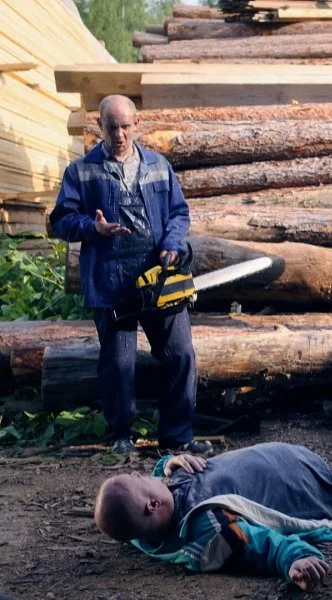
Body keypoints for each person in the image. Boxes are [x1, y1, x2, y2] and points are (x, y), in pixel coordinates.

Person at [49, 94, 210, 456]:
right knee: (119, 364)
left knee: (180, 354)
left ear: (137, 124)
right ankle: (122, 435)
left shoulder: (158, 166)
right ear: (99, 126)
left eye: (125, 126)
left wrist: (171, 244)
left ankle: (177, 437)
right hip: (111, 281)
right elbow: (61, 221)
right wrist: (92, 228)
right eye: (111, 127)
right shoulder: (81, 171)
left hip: (158, 277)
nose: (119, 134)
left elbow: (179, 213)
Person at [94, 442, 332, 590]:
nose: (141, 473)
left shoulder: (147, 522)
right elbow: (258, 542)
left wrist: (172, 462)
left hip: (283, 456)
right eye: (139, 478)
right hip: (314, 483)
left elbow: (134, 504)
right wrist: (295, 559)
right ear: (153, 505)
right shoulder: (210, 529)